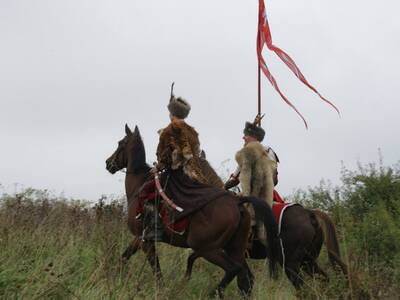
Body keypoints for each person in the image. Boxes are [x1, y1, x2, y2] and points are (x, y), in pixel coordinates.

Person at [143, 83, 222, 241]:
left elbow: (165, 157)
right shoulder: (192, 131)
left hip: (178, 174)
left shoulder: (168, 130)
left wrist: (157, 168)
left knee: (146, 192)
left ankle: (155, 229)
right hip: (195, 172)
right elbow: (196, 152)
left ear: (172, 112)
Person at [224, 116, 278, 245]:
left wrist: (223, 188)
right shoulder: (270, 151)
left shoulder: (249, 152)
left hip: (257, 193)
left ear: (253, 137)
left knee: (240, 213)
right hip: (268, 190)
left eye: (246, 135)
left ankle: (245, 242)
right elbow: (275, 179)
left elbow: (235, 179)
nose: (243, 138)